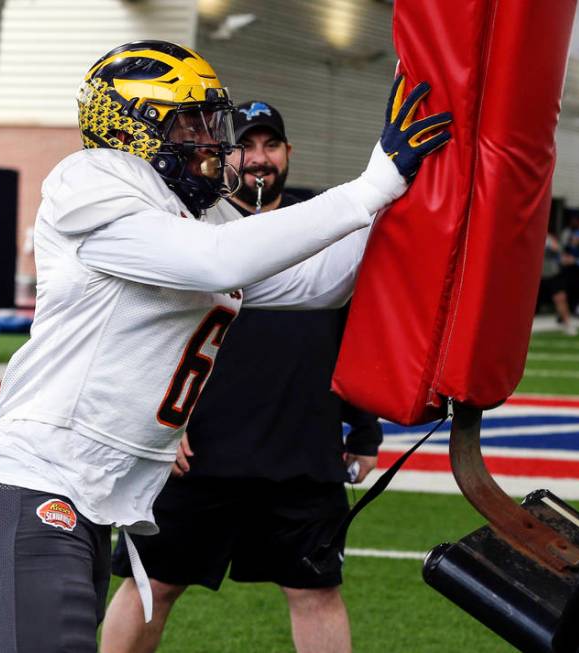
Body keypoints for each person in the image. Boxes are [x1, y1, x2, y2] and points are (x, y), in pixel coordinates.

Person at [0, 40, 451, 653]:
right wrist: (370, 185)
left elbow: (316, 280)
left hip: (89, 499)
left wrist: (416, 196)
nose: (213, 140)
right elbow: (218, 261)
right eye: (191, 122)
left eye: (210, 121)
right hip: (34, 484)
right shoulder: (90, 182)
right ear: (130, 127)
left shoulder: (196, 216)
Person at [102, 100, 383, 653]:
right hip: (198, 449)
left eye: (270, 145)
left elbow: (354, 333)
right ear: (222, 153)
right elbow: (141, 330)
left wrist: (364, 429)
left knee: (316, 590)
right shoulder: (188, 229)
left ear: (288, 153)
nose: (258, 159)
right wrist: (154, 422)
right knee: (150, 585)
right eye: (245, 146)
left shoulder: (321, 229)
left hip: (302, 449)